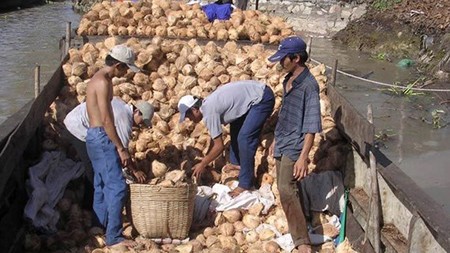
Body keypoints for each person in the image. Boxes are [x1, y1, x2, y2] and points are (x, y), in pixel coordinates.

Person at [84, 44, 144, 248]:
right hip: (102, 135)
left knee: (101, 183)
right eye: (125, 68)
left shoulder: (97, 79)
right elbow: (107, 120)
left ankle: (98, 226)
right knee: (117, 186)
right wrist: (120, 147)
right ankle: (114, 236)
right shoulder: (103, 82)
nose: (126, 73)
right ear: (117, 65)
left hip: (93, 135)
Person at [268, 36, 322, 253]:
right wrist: (275, 138)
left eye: (284, 59)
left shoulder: (310, 86)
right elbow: (285, 114)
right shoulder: (288, 80)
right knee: (291, 187)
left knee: (285, 188)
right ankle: (305, 218)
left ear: (296, 58)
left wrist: (303, 157)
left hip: (295, 145)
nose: (281, 63)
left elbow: (311, 125)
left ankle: (302, 242)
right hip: (282, 140)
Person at [178, 80, 275, 197]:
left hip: (262, 98)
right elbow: (217, 141)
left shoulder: (209, 112)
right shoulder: (207, 106)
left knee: (245, 138)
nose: (189, 120)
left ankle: (246, 183)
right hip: (255, 94)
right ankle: (238, 163)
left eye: (188, 115)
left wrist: (203, 163)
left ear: (195, 110)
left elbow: (219, 146)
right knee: (235, 128)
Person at [63, 97, 153, 210]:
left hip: (77, 118)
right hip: (78, 127)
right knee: (93, 167)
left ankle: (87, 197)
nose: (141, 125)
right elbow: (122, 153)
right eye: (142, 120)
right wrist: (135, 171)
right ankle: (88, 205)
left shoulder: (121, 104)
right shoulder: (124, 120)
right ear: (136, 111)